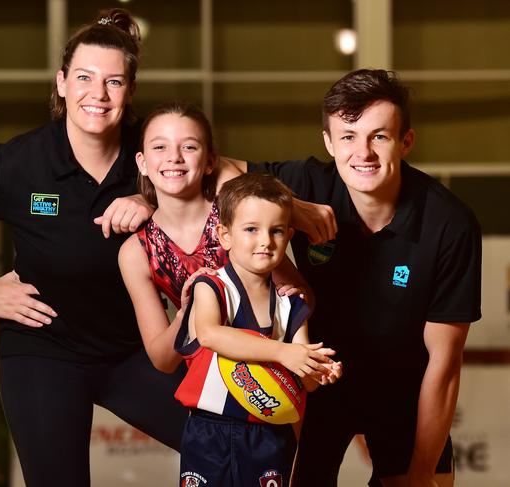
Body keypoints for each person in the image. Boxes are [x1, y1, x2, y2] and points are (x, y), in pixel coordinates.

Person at [0, 8, 188, 487]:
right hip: (44, 353)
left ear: (130, 92)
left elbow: (224, 181)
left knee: (231, 443)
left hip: (134, 351)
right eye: (85, 78)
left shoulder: (155, 153)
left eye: (114, 82)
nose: (98, 93)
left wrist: (153, 197)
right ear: (62, 83)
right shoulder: (19, 162)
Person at [226, 69, 482, 487]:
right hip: (317, 381)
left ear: (406, 142)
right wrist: (293, 207)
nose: (362, 152)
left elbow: (445, 363)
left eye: (379, 136)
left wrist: (420, 476)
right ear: (328, 142)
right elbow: (210, 167)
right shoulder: (309, 183)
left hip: (403, 390)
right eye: (347, 136)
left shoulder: (448, 223)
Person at [119, 101, 337, 381]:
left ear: (211, 161)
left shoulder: (236, 217)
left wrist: (291, 306)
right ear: (142, 162)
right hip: (211, 385)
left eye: (189, 147)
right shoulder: (136, 251)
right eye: (160, 147)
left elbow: (302, 298)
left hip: (272, 376)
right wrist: (188, 312)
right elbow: (162, 360)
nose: (174, 157)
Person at [174, 172, 342, 487]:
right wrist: (283, 351)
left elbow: (306, 379)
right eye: (251, 229)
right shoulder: (211, 287)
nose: (266, 240)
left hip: (270, 433)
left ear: (289, 236)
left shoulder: (292, 307)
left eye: (276, 231)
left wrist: (319, 370)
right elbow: (211, 334)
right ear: (225, 235)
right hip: (210, 430)